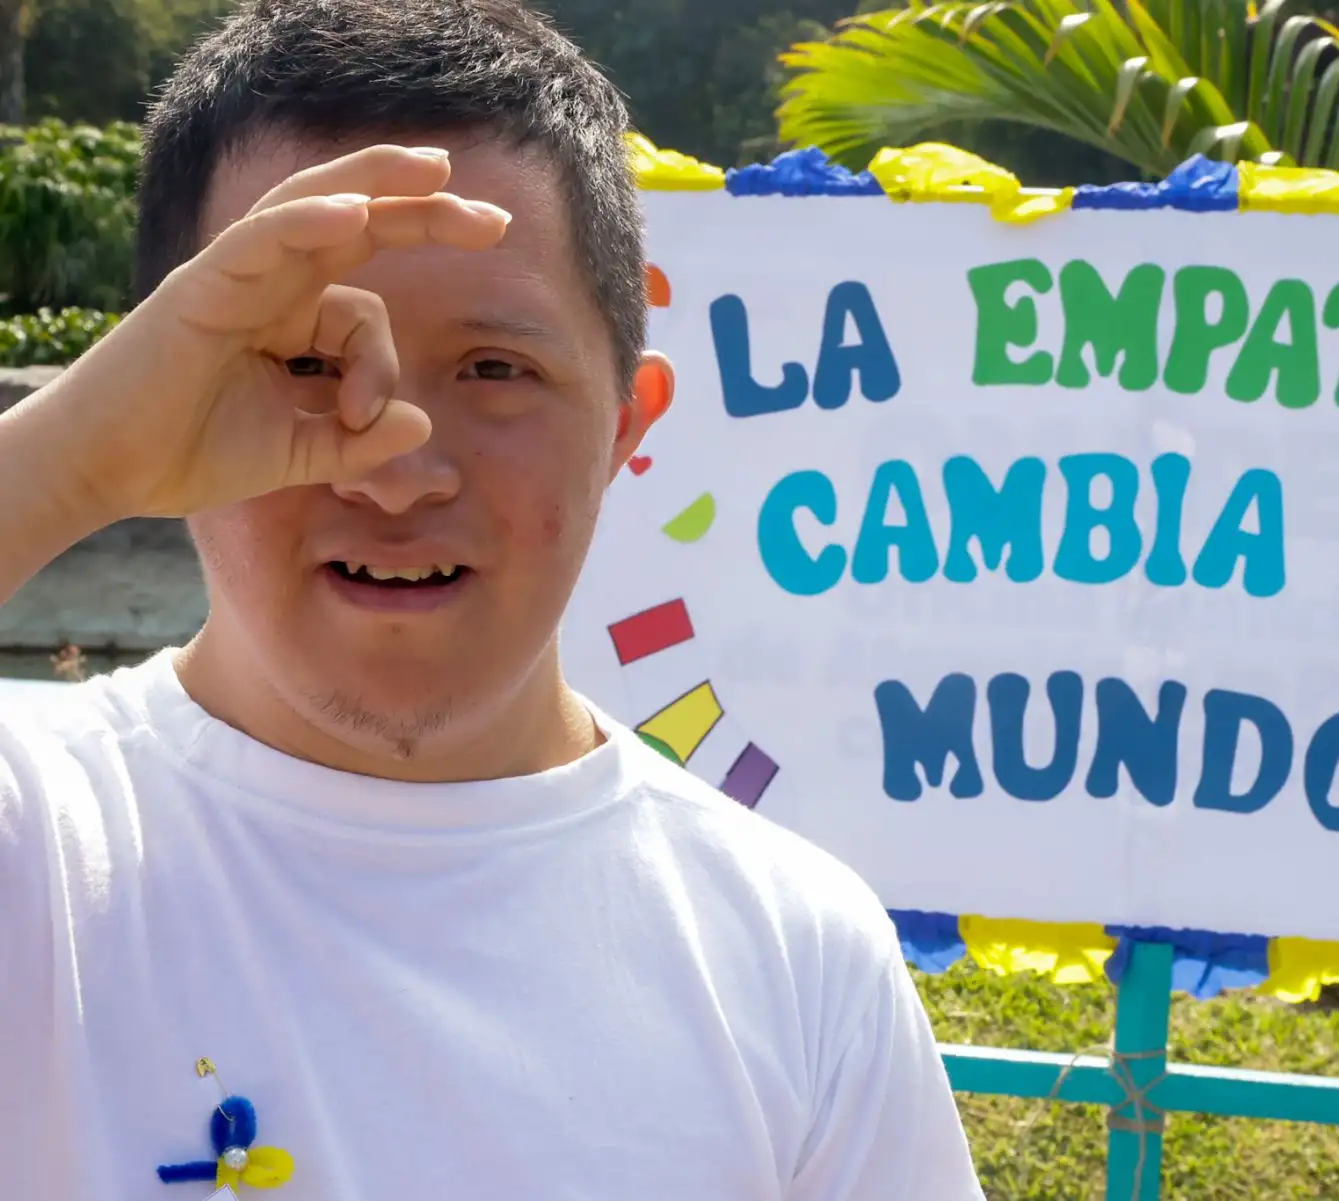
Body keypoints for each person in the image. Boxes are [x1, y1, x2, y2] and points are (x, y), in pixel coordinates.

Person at [0, 1, 986, 1197]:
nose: (396, 465)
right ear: (157, 392)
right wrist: (67, 464)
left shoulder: (801, 962)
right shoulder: (39, 839)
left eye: (494, 369)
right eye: (305, 362)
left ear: (624, 427)